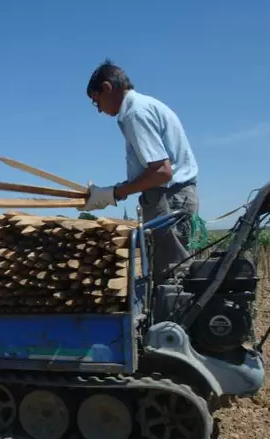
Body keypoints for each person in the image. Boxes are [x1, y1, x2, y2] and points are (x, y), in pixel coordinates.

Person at [79, 59, 200, 284]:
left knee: (171, 278)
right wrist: (115, 192)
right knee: (169, 274)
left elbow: (161, 172)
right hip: (174, 196)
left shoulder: (135, 113)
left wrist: (113, 193)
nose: (100, 110)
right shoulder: (146, 106)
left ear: (107, 88)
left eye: (97, 102)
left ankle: (173, 320)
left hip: (168, 199)